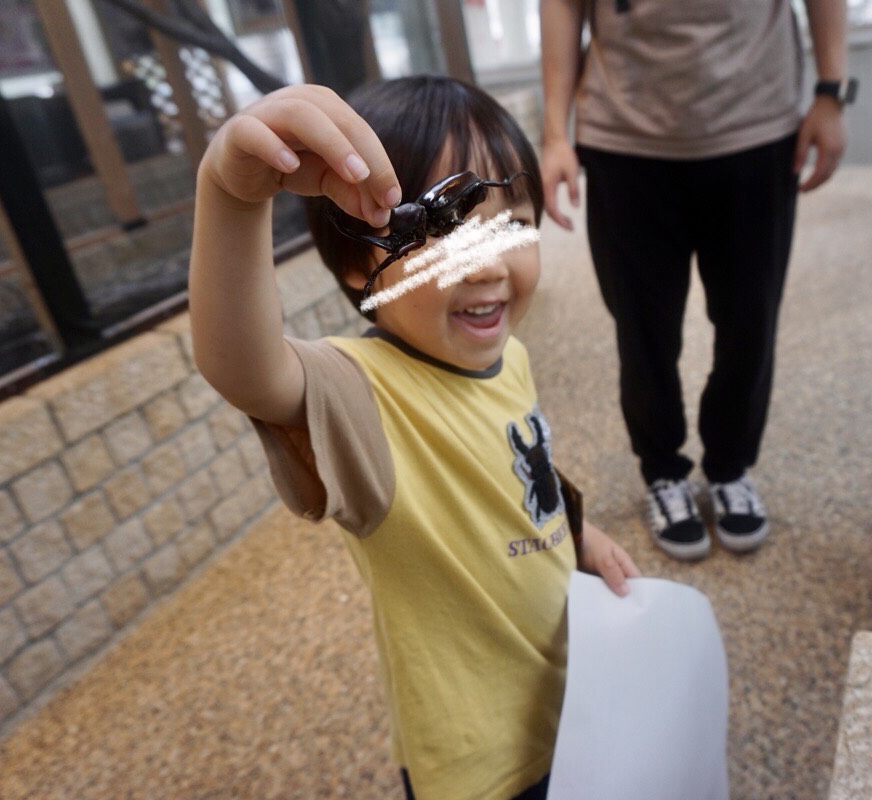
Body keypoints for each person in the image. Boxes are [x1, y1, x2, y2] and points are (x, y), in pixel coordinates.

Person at [188, 76, 640, 800]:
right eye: (441, 233)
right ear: (358, 264)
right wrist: (231, 196)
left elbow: (516, 466)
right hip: (484, 761)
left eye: (511, 224)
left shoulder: (507, 359)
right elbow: (243, 367)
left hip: (577, 701)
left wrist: (577, 535)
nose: (487, 263)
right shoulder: (361, 397)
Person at [540, 0, 851, 561]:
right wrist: (553, 134)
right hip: (623, 138)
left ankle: (730, 464)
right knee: (642, 329)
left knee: (750, 322)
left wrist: (831, 91)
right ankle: (662, 471)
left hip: (755, 126)